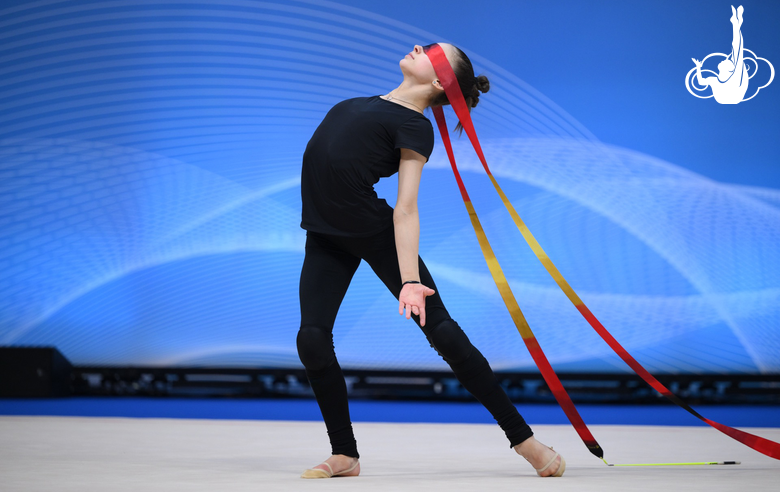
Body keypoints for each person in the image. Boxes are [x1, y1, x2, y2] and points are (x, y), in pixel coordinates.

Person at [296, 43, 565, 479]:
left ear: (439, 82)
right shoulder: (353, 103)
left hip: (375, 232)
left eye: (433, 53)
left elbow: (406, 208)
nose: (419, 46)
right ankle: (344, 454)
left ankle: (526, 441)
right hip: (325, 237)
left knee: (444, 334)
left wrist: (408, 280)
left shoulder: (414, 126)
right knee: (311, 340)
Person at [692, 5, 748, 104]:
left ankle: (736, 23)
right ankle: (736, 23)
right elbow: (701, 82)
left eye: (726, 61)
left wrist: (698, 67)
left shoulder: (732, 77)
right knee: (737, 51)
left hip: (733, 95)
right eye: (727, 60)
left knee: (737, 50)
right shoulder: (715, 80)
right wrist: (698, 67)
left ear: (729, 69)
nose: (724, 59)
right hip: (729, 96)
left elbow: (737, 48)